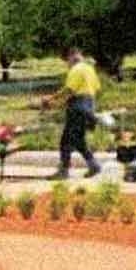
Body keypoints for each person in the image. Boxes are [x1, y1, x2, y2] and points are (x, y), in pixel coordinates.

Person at [53, 47, 103, 178]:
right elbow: (96, 89)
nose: (67, 63)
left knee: (65, 140)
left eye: (66, 60)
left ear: (71, 57)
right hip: (89, 106)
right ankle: (94, 166)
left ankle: (63, 171)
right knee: (78, 140)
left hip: (77, 107)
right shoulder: (90, 69)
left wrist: (56, 103)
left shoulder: (76, 69)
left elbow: (69, 90)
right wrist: (53, 97)